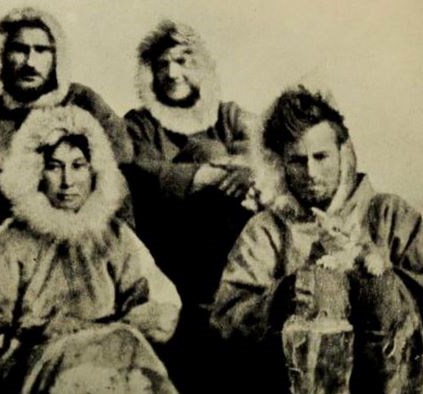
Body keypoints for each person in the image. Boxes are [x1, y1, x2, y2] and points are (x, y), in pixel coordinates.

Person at [211, 85, 423, 393]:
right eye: (297, 161)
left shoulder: (388, 213)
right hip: (297, 385)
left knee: (378, 282)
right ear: (280, 163)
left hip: (397, 381)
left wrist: (377, 281)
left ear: (343, 153)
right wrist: (289, 292)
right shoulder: (265, 230)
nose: (311, 172)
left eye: (321, 156)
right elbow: (225, 321)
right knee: (319, 284)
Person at [0, 106, 180, 392]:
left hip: (116, 361)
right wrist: (46, 335)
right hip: (43, 368)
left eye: (78, 165)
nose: (67, 181)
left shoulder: (115, 235)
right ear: (36, 173)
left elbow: (160, 304)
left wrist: (119, 328)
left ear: (95, 171)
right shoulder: (10, 239)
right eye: (54, 166)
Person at [123, 20, 260, 391]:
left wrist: (246, 169)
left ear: (200, 66)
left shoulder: (227, 114)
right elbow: (141, 169)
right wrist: (205, 174)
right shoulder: (138, 124)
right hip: (171, 246)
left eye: (183, 60)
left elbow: (260, 146)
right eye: (163, 64)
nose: (172, 72)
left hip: (231, 247)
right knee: (210, 150)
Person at [0, 7, 133, 226]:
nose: (30, 62)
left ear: (56, 58)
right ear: (2, 55)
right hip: (8, 224)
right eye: (20, 49)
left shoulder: (81, 98)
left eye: (41, 50)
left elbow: (122, 149)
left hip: (77, 221)